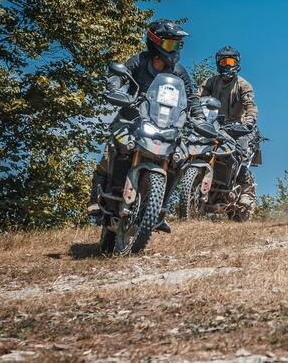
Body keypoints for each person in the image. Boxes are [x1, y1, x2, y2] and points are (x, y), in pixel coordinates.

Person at [88, 20, 204, 228]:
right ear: (155, 42)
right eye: (170, 44)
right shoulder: (140, 61)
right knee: (114, 145)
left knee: (180, 158)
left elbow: (191, 97)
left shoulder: (179, 71)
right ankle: (96, 197)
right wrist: (114, 86)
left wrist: (199, 117)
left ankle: (160, 210)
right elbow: (119, 76)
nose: (175, 50)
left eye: (178, 45)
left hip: (166, 123)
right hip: (132, 116)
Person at [199, 46, 260, 218]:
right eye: (223, 62)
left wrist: (250, 121)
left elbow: (250, 105)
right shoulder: (211, 81)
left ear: (237, 63)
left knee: (242, 155)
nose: (226, 65)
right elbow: (197, 99)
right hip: (213, 126)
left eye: (230, 62)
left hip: (238, 129)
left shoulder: (243, 85)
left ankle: (246, 191)